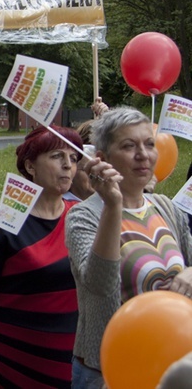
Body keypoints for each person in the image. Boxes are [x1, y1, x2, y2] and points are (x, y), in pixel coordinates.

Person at [65, 107, 192, 388]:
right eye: (128, 146)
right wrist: (112, 205)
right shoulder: (83, 216)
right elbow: (100, 284)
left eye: (149, 144)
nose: (143, 154)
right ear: (102, 159)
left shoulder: (166, 208)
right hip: (108, 372)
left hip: (172, 363)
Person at [0, 126, 83, 388]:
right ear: (30, 166)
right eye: (56, 156)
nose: (67, 166)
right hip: (13, 357)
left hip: (72, 356)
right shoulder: (6, 217)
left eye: (73, 159)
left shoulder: (81, 216)